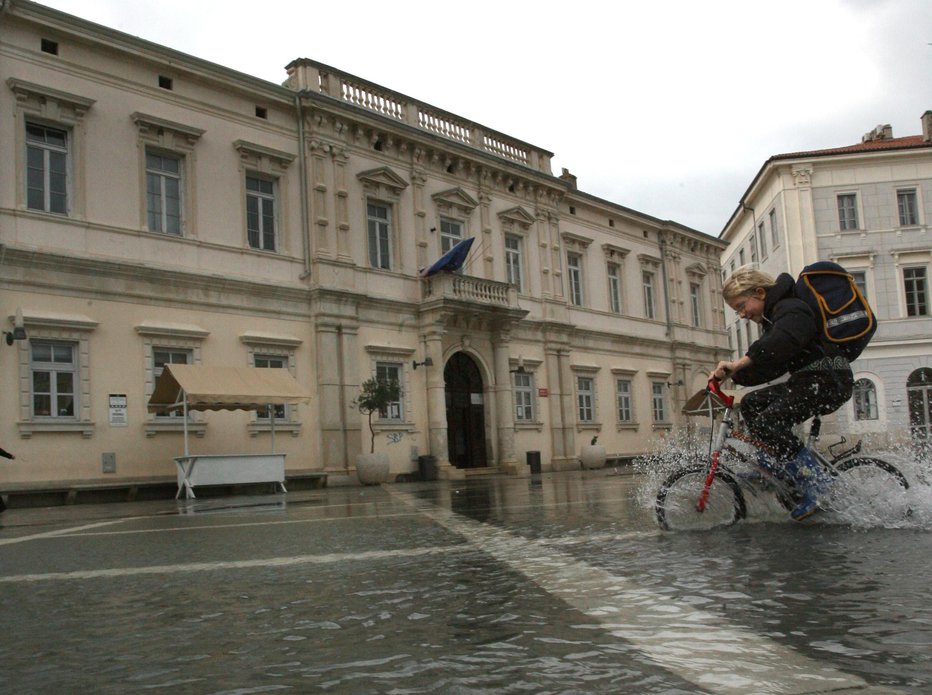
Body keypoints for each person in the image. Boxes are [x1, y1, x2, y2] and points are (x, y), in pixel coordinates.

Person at [710, 265, 854, 521]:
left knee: (770, 422)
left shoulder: (791, 308)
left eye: (742, 306)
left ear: (760, 293)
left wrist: (739, 363)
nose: (742, 314)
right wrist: (733, 377)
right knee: (753, 403)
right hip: (808, 380)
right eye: (737, 311)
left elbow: (778, 343)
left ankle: (818, 483)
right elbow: (771, 364)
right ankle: (772, 464)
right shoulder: (776, 318)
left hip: (828, 380)